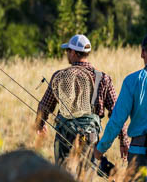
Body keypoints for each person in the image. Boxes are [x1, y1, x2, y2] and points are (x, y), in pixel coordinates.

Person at [35, 34, 129, 167]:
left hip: (63, 135)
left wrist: (40, 123)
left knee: (64, 179)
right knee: (84, 179)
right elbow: (117, 112)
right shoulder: (103, 78)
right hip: (88, 137)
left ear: (73, 52)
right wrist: (123, 140)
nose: (67, 54)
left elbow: (44, 105)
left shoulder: (60, 76)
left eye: (68, 51)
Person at [93, 33, 147, 176]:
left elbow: (117, 120)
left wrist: (100, 149)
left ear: (142, 52)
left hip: (140, 152)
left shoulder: (132, 81)